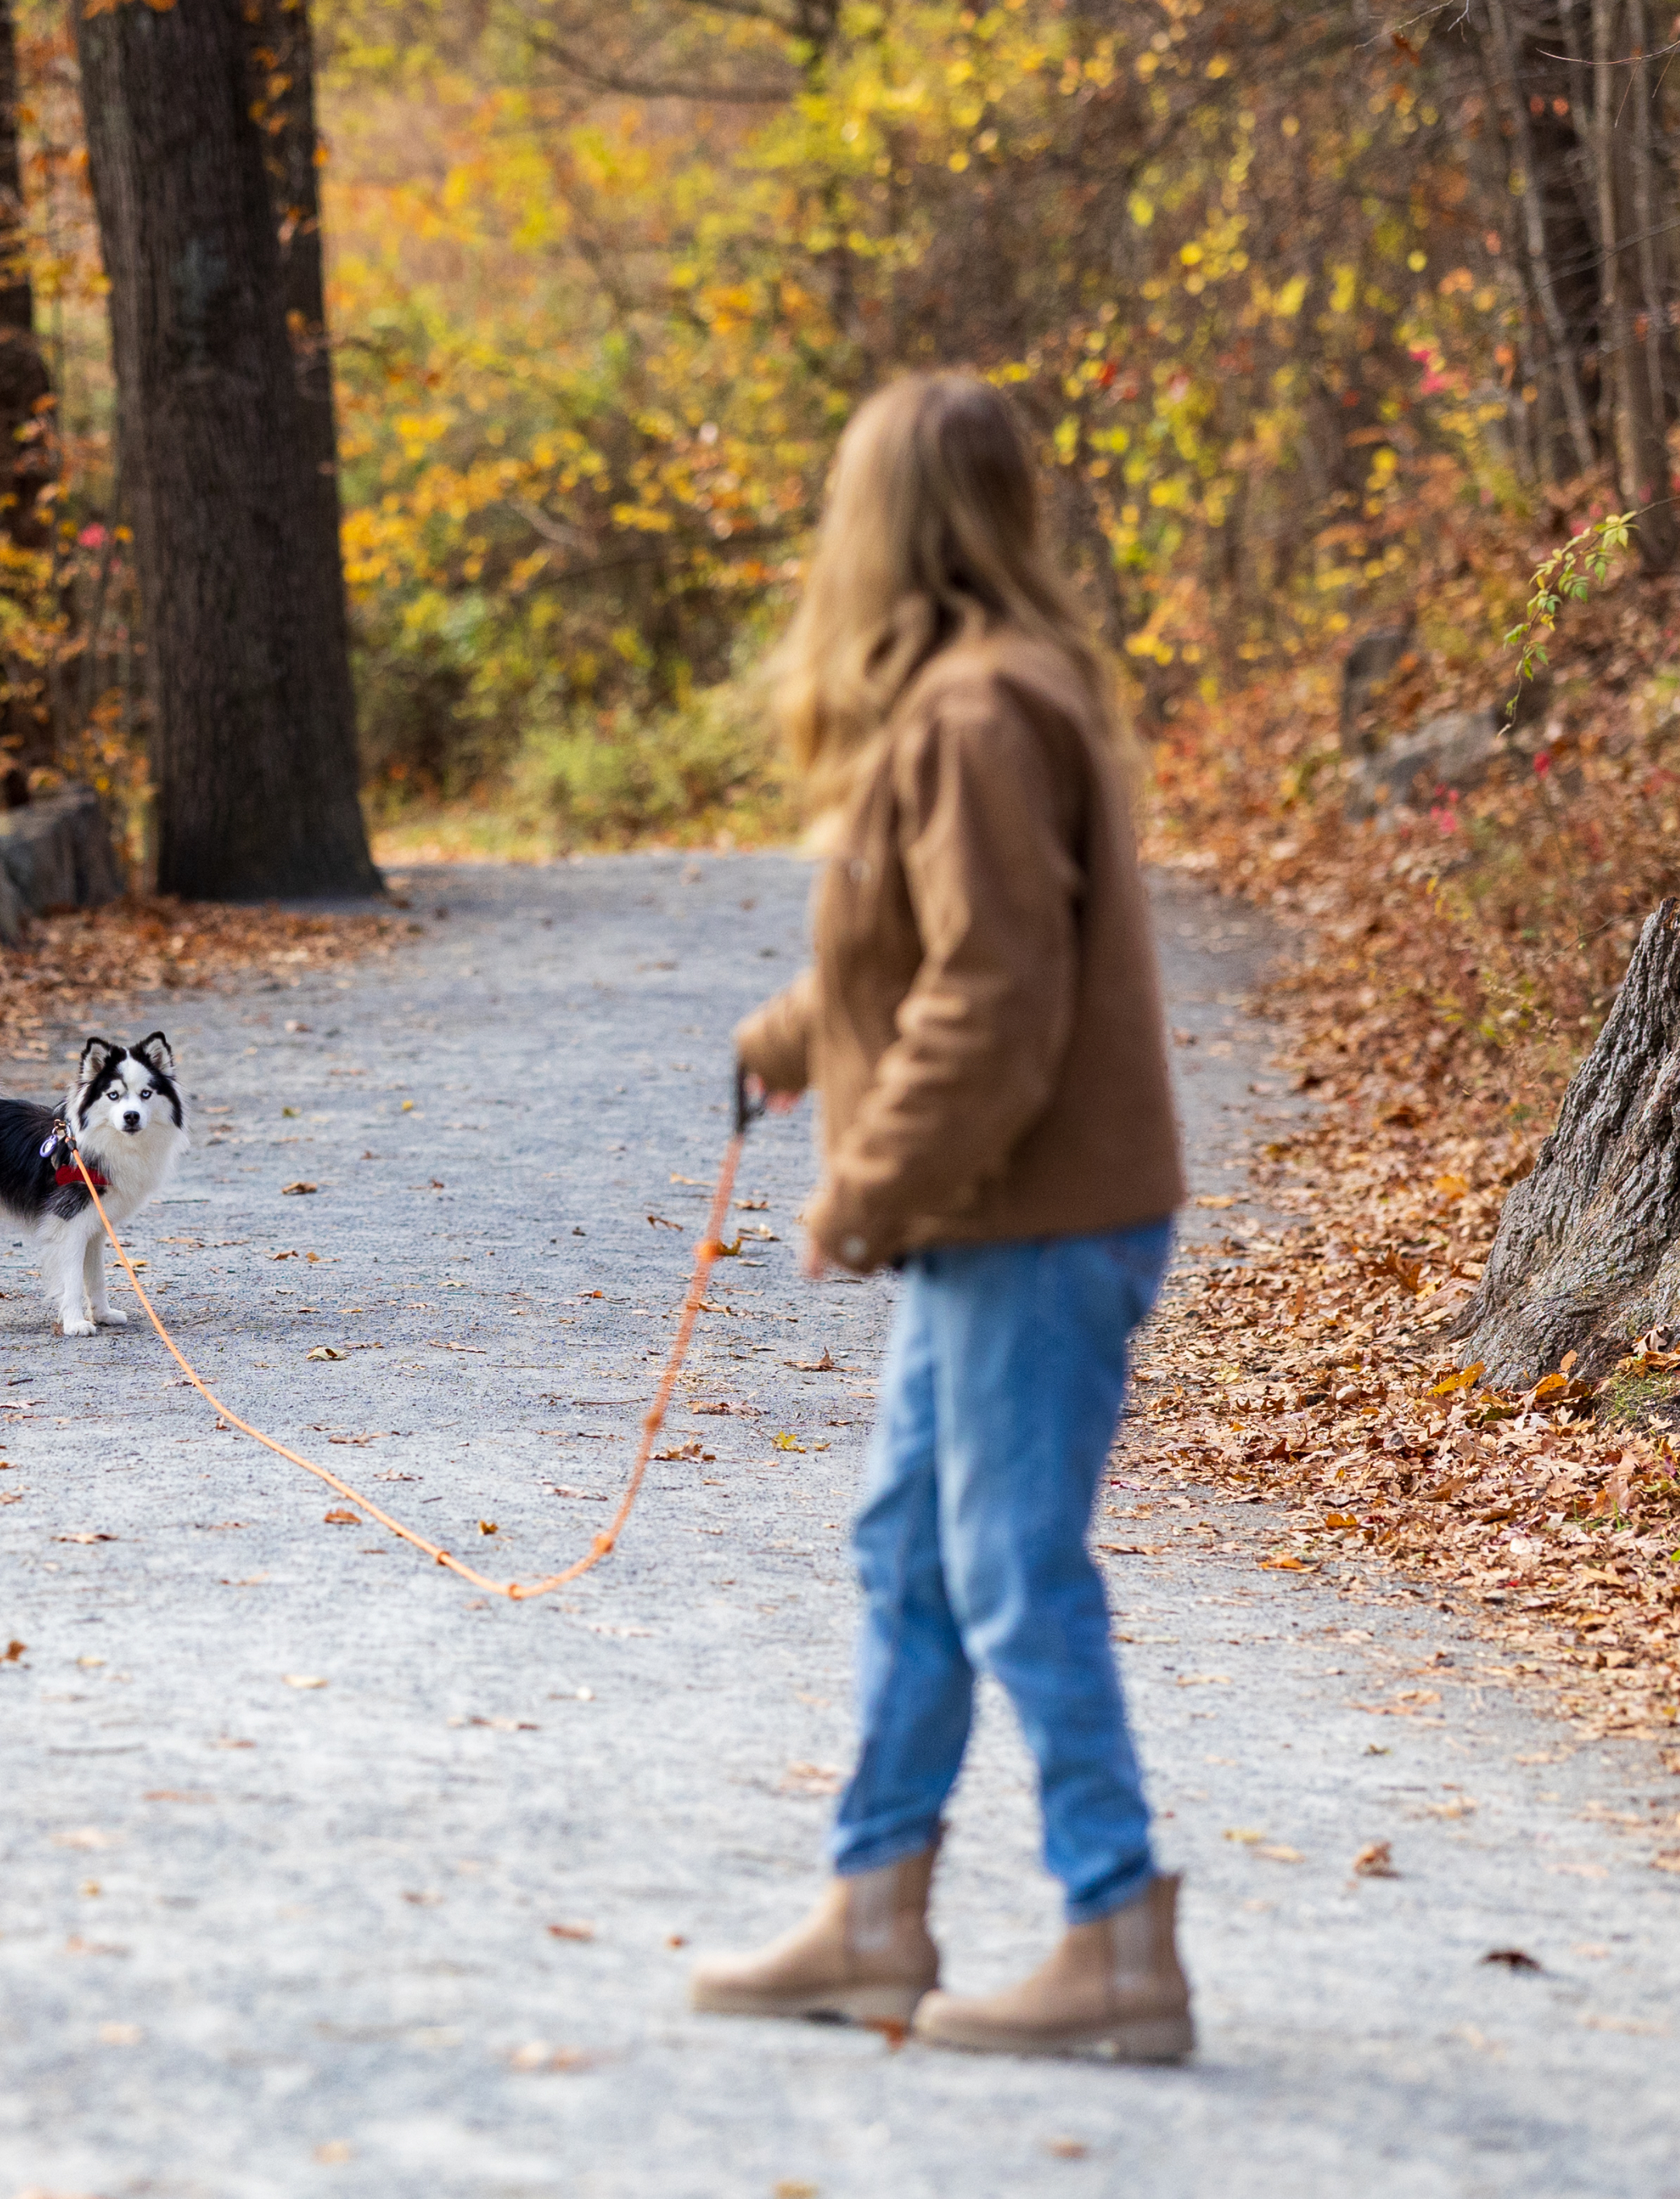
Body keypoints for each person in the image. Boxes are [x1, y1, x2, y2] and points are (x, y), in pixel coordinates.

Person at [686, 371, 1193, 2062]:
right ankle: (873, 1913)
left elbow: (990, 996)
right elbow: (898, 952)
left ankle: (1115, 1933)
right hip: (1011, 1216)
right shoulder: (981, 698)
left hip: (1031, 1224)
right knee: (911, 1552)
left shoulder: (977, 712)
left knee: (1005, 1569)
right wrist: (782, 1046)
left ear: (878, 525)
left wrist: (862, 1187)